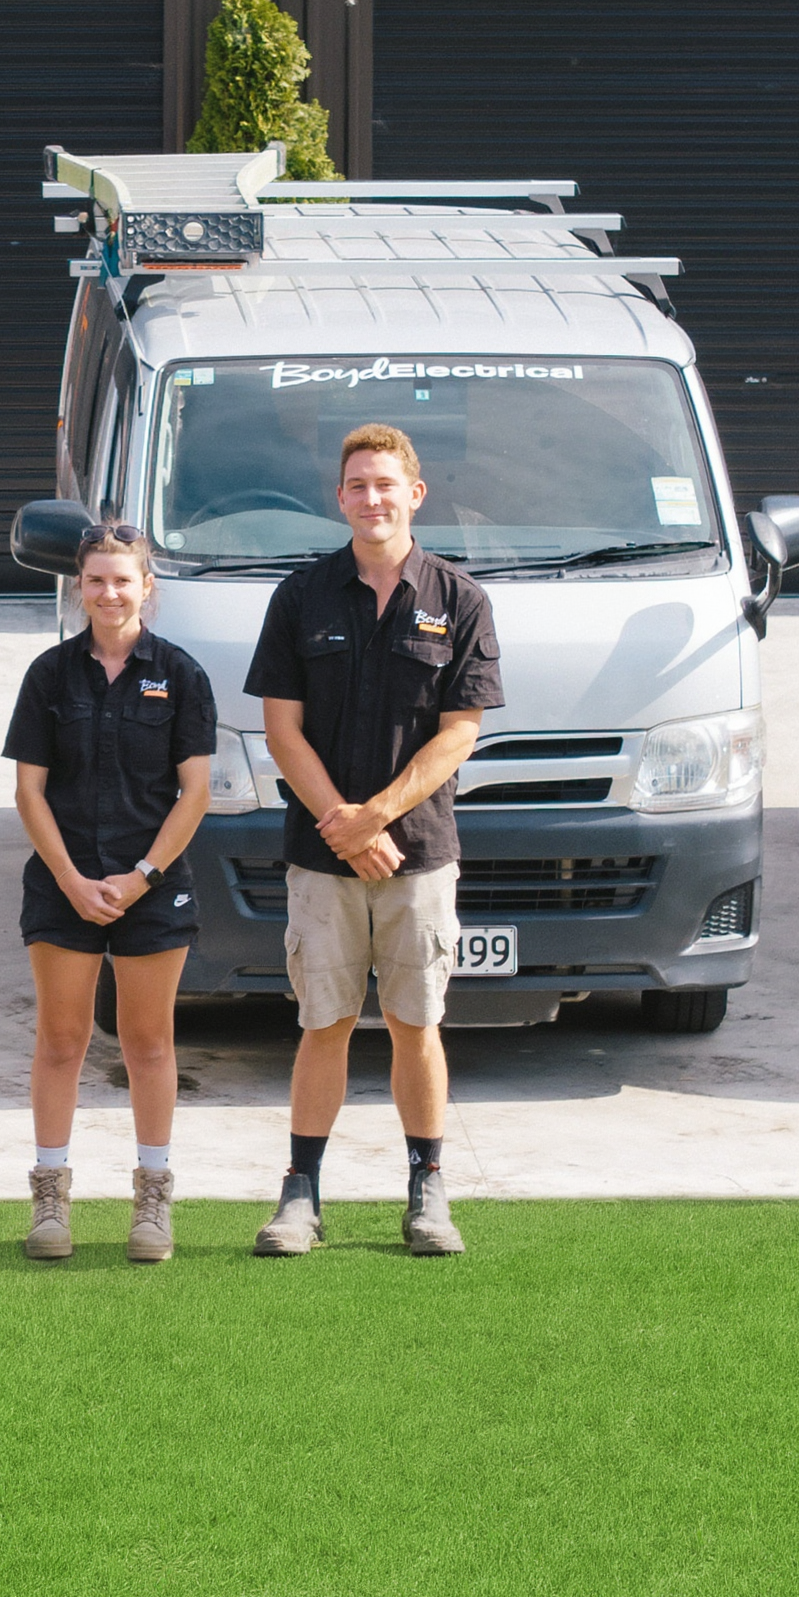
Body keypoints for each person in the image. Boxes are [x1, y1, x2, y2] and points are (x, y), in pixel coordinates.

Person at [243, 423, 501, 1258]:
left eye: (386, 484)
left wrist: (377, 817)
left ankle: (428, 1191)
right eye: (357, 485)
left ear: (415, 494)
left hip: (418, 855)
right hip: (323, 854)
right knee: (324, 1022)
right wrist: (344, 827)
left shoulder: (460, 600)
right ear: (340, 497)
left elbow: (460, 733)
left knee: (414, 1022)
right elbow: (282, 731)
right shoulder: (301, 596)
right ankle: (301, 1196)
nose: (372, 498)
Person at [3, 523, 216, 1263]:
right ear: (79, 588)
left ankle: (153, 1198)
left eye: (123, 579)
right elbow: (29, 790)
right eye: (96, 580)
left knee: (147, 1044)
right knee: (61, 1042)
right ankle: (50, 1198)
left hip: (151, 888)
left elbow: (194, 793)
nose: (109, 592)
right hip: (65, 884)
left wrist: (142, 878)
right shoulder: (49, 676)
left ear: (146, 586)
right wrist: (70, 878)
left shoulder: (182, 675)